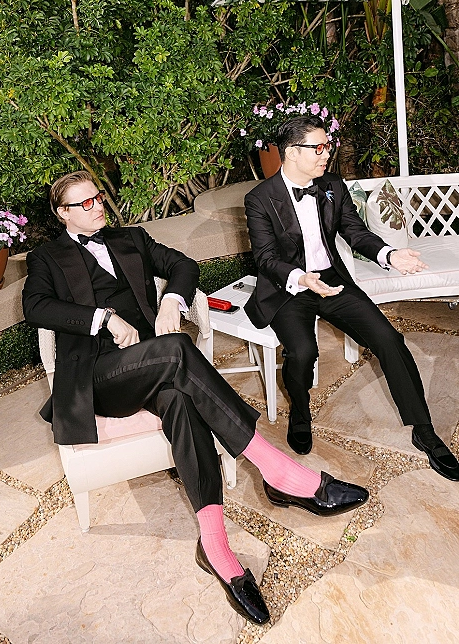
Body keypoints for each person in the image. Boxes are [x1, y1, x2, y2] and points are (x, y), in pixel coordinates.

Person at [23, 171, 370, 625]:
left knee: (182, 400)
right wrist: (103, 318)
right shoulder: (46, 257)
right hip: (98, 377)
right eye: (83, 204)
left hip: (155, 365)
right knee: (178, 350)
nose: (96, 207)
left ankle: (216, 548)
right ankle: (278, 470)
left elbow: (185, 266)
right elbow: (36, 307)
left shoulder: (131, 238)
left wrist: (173, 301)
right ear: (61, 213)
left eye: (97, 199)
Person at [244, 114, 459, 482]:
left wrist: (389, 255)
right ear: (292, 152)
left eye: (327, 145)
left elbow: (356, 232)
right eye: (319, 147)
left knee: (389, 339)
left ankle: (423, 430)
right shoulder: (259, 199)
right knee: (303, 353)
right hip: (290, 287)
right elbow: (265, 258)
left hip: (332, 282)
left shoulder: (332, 186)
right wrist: (300, 277)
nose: (326, 154)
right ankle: (300, 407)